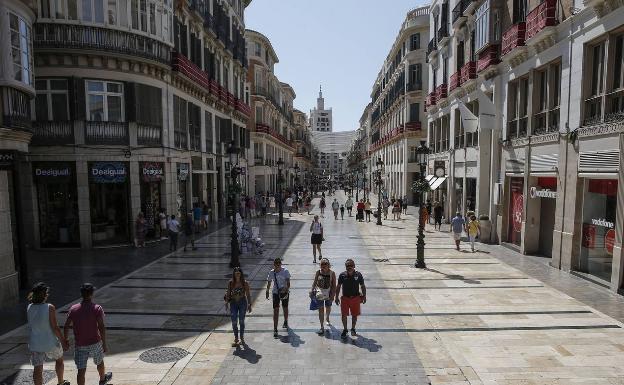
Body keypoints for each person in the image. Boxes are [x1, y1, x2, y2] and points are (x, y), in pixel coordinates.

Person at [63, 283, 112, 385]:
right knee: (99, 361)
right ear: (92, 294)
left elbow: (66, 326)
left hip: (80, 344)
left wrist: (66, 340)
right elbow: (101, 327)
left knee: (81, 370)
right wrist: (104, 343)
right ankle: (102, 379)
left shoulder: (73, 309)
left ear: (81, 294)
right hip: (95, 342)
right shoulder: (97, 308)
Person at [27, 282, 70, 385]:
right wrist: (63, 341)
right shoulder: (49, 307)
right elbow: (55, 327)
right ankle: (60, 382)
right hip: (50, 342)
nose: (47, 295)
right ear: (44, 294)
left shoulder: (29, 307)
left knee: (37, 368)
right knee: (59, 360)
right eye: (46, 293)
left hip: (35, 343)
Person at [335, 259, 366, 338]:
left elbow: (362, 286)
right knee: (344, 315)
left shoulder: (358, 275)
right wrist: (336, 297)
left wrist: (364, 296)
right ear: (345, 267)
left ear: (354, 266)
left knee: (354, 315)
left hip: (355, 298)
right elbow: (338, 286)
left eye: (351, 265)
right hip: (345, 298)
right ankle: (345, 329)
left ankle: (353, 328)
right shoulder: (342, 275)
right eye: (347, 266)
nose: (349, 267)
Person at [224, 267, 252, 346]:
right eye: (236, 273)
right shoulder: (230, 283)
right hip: (233, 303)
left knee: (241, 321)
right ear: (234, 274)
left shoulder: (245, 283)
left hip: (242, 302)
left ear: (241, 274)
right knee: (234, 321)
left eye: (239, 273)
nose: (237, 274)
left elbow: (248, 294)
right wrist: (226, 303)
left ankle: (242, 337)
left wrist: (250, 304)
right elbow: (228, 293)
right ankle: (236, 337)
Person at [310, 258, 336, 334]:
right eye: (322, 264)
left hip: (329, 294)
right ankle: (321, 326)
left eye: (325, 264)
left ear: (329, 265)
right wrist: (312, 291)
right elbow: (314, 283)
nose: (324, 265)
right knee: (320, 310)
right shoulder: (318, 272)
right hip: (319, 294)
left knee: (328, 307)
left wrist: (333, 295)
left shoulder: (332, 273)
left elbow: (334, 285)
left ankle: (327, 318)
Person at [266, 258, 290, 337]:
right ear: (274, 264)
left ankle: (285, 321)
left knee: (285, 307)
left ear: (281, 263)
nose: (278, 265)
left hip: (284, 292)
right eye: (276, 263)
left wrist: (285, 289)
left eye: (279, 263)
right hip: (276, 292)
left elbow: (288, 282)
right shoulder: (272, 272)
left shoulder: (285, 271)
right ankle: (275, 328)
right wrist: (267, 291)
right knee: (276, 310)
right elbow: (269, 282)